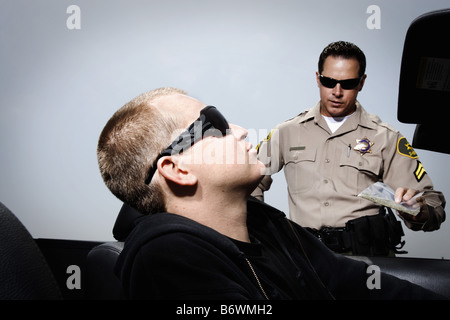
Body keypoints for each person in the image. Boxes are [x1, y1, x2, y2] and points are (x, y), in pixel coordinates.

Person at [97, 87, 443, 299]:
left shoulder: (269, 226)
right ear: (176, 170)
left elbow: (348, 280)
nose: (242, 131)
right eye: (213, 127)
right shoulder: (168, 256)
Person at [251, 41, 446, 255]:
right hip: (305, 261)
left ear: (361, 83)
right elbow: (247, 180)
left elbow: (433, 204)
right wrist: (263, 230)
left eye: (348, 83)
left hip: (366, 263)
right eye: (328, 82)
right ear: (318, 79)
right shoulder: (287, 132)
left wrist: (417, 210)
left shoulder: (386, 138)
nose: (337, 92)